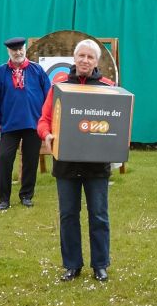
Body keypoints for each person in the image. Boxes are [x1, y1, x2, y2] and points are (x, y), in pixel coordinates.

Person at [38, 40, 115, 282]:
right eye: (80, 56)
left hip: (97, 165)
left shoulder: (109, 87)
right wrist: (47, 134)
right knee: (68, 214)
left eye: (90, 57)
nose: (84, 60)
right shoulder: (58, 87)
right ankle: (72, 265)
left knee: (99, 215)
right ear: (74, 58)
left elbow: (117, 121)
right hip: (66, 164)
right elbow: (44, 119)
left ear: (96, 61)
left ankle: (100, 264)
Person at [0, 36, 51, 211]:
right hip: (9, 125)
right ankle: (4, 199)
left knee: (31, 161)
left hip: (33, 123)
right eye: (14, 50)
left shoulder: (37, 71)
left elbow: (49, 97)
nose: (18, 52)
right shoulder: (0, 73)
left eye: (21, 49)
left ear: (25, 49)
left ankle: (26, 196)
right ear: (9, 52)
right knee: (5, 159)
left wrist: (47, 121)